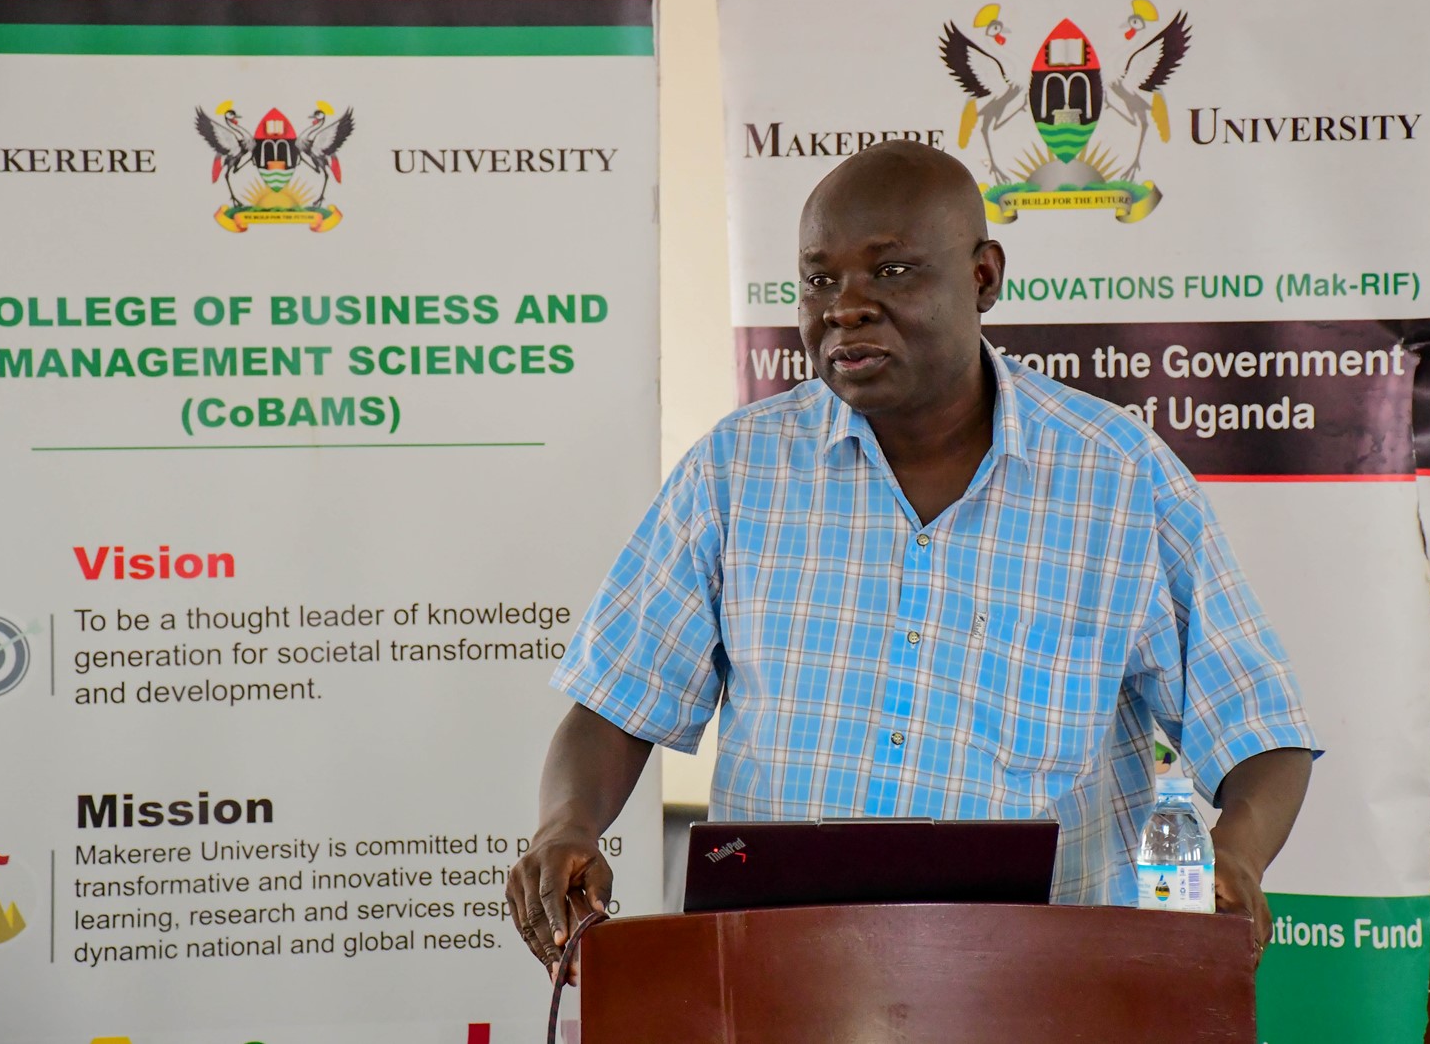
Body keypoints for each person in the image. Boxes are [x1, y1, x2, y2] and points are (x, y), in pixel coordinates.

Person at [506, 140, 1318, 979]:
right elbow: (613, 704)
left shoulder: (1118, 478)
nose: (845, 307)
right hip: (780, 986)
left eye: (890, 273)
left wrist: (1238, 854)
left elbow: (1261, 733)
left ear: (984, 277)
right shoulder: (735, 471)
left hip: (1042, 992)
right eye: (819, 279)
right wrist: (566, 826)